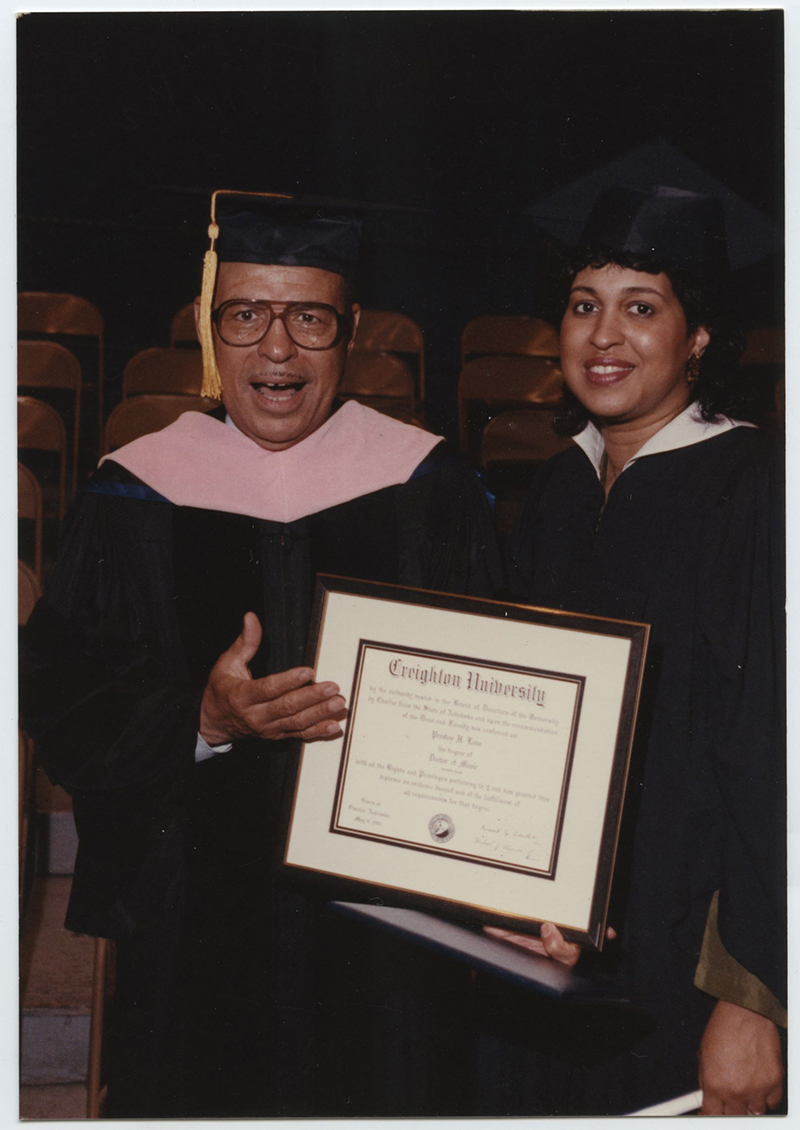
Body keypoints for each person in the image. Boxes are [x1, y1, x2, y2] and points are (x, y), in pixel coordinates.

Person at [20, 190, 503, 1117]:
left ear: (351, 332)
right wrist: (198, 722)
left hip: (390, 935)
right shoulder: (133, 497)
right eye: (245, 315)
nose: (276, 348)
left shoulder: (432, 490)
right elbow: (63, 699)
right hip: (194, 919)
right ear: (209, 327)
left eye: (309, 317)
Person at [494, 186, 785, 1116]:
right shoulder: (553, 492)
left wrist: (755, 1000)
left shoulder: (757, 490)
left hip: (693, 966)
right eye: (585, 306)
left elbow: (776, 760)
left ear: (699, 337)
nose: (604, 335)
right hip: (542, 950)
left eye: (642, 307)